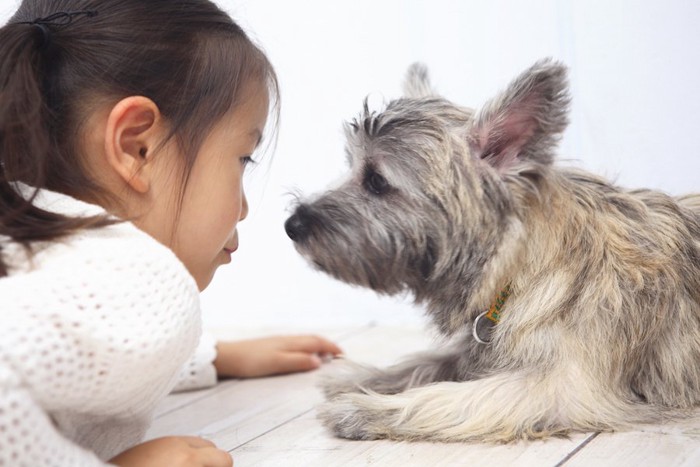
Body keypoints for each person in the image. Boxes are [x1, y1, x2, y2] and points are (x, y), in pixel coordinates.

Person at [0, 1, 342, 465]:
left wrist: (207, 358)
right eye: (243, 159)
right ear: (137, 146)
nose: (243, 208)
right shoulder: (140, 281)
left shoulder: (26, 222)